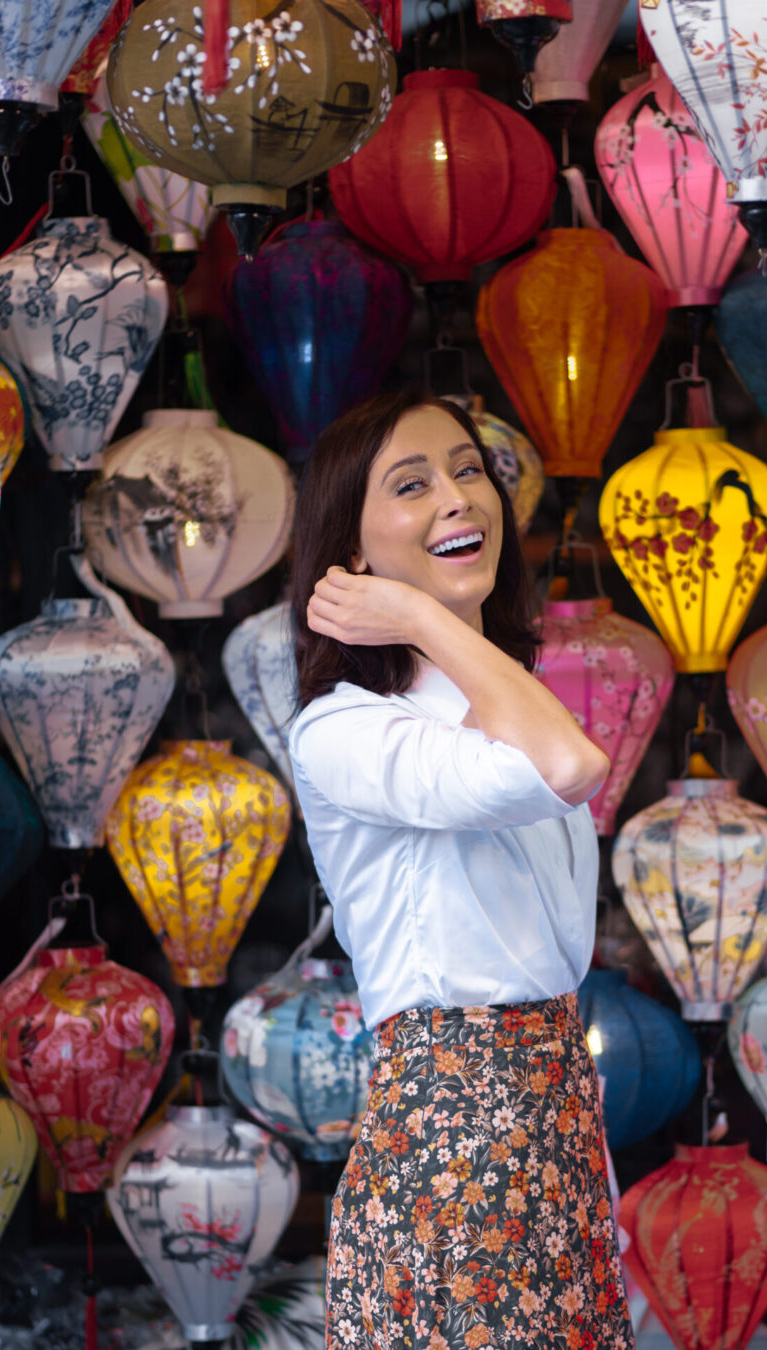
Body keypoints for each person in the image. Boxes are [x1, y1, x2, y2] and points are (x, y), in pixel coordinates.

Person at [288, 388, 636, 1350]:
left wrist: (444, 630)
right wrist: (417, 616)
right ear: (351, 561)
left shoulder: (509, 698)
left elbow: (553, 757)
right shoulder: (346, 732)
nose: (458, 498)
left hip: (554, 1112)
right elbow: (567, 770)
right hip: (456, 1130)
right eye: (412, 484)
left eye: (469, 471)